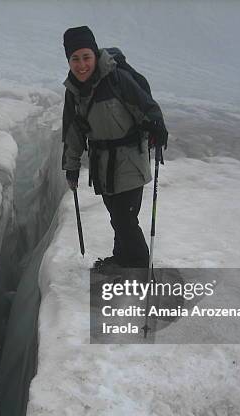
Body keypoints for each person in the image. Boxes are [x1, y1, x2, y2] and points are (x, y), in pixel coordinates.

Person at [61, 26, 168, 270]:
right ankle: (122, 258)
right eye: (74, 59)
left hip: (130, 159)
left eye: (86, 57)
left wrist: (157, 127)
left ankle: (140, 268)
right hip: (102, 165)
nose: (81, 65)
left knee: (124, 219)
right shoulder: (74, 92)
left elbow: (148, 107)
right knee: (118, 216)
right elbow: (73, 133)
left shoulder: (117, 79)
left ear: (95, 55)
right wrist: (71, 166)